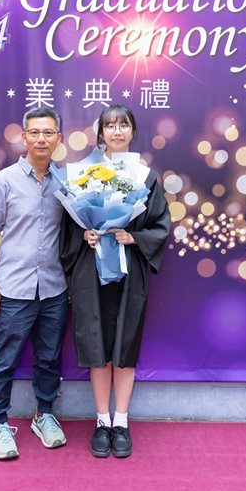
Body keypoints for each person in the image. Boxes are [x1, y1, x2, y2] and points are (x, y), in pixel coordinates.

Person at [61, 105, 171, 458]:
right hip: (91, 268)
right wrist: (84, 235)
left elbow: (160, 226)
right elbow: (66, 226)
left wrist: (133, 237)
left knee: (125, 343)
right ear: (101, 133)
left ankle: (121, 421)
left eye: (124, 125)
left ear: (133, 131)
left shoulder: (145, 177)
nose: (117, 131)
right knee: (97, 344)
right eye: (110, 125)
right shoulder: (83, 174)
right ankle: (102, 421)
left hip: (129, 268)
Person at [0, 107, 68, 460]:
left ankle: (43, 414)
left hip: (54, 289)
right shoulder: (3, 181)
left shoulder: (67, 183)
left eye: (48, 133)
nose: (41, 139)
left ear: (59, 138)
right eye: (35, 132)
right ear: (24, 136)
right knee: (4, 360)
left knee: (49, 358)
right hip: (13, 289)